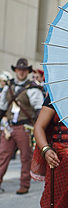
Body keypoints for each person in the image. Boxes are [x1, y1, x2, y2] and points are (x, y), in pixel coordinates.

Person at [0, 58, 44, 194]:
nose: (21, 72)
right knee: (2, 155)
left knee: (25, 157)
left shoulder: (33, 88)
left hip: (24, 127)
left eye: (24, 70)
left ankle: (24, 185)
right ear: (16, 70)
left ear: (27, 71)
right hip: (8, 126)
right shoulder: (8, 86)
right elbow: (2, 107)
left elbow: (39, 110)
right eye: (19, 69)